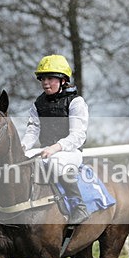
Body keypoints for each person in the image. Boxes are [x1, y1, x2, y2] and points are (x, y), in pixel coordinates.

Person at [21, 54, 90, 225]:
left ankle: (79, 207)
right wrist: (22, 147)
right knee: (22, 162)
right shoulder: (38, 104)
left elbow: (77, 136)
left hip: (70, 152)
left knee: (55, 162)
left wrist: (55, 147)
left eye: (51, 78)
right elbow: (32, 130)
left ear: (63, 80)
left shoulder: (76, 102)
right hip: (46, 150)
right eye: (43, 78)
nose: (45, 83)